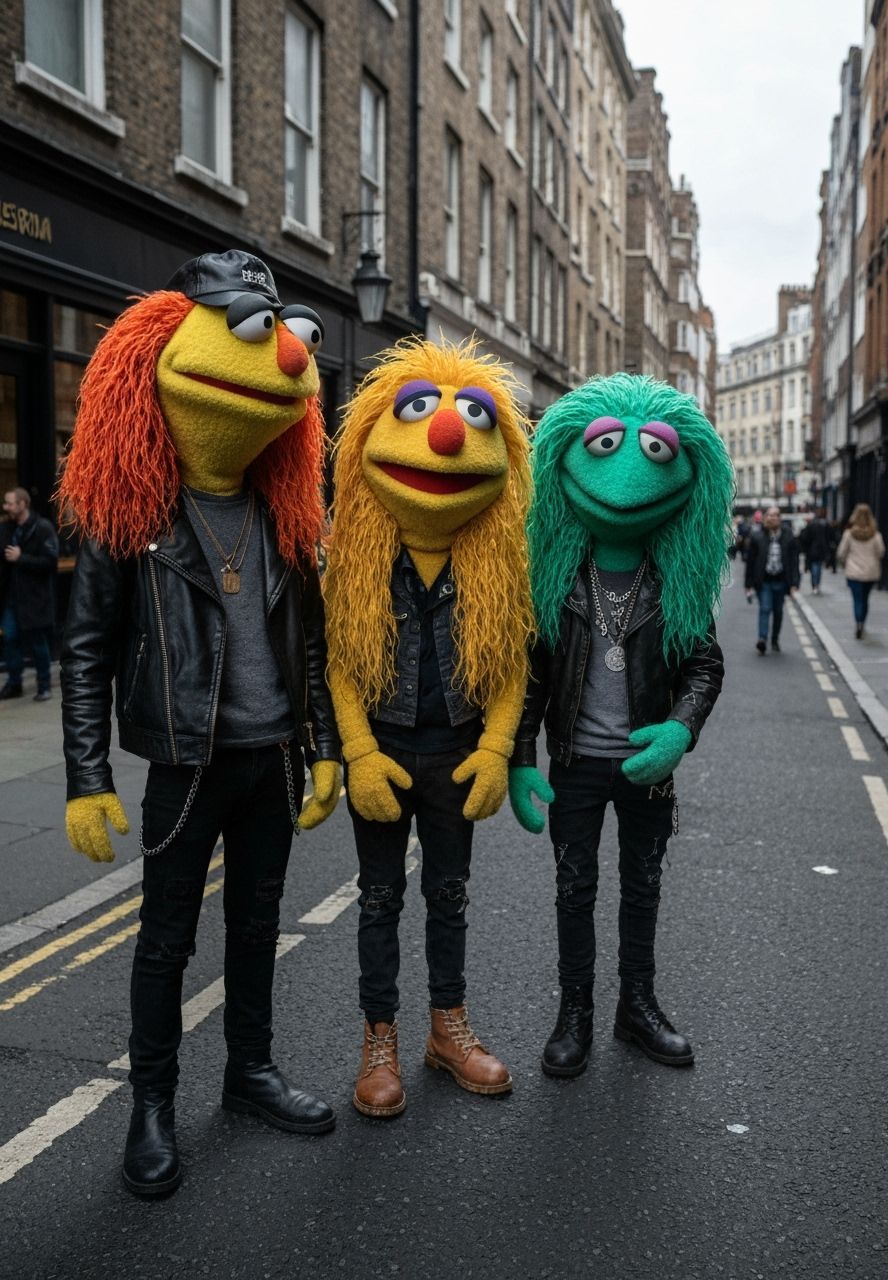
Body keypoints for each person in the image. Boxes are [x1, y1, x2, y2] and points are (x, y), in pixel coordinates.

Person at [58, 251, 342, 1197]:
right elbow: (87, 648)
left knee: (259, 926)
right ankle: (151, 1107)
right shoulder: (127, 512)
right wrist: (87, 778)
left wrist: (328, 747)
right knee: (166, 941)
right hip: (184, 758)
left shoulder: (282, 507)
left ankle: (251, 1073)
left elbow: (312, 645)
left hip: (272, 758)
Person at [324, 338, 533, 1117]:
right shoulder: (356, 558)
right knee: (379, 900)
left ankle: (448, 1029)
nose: (446, 440)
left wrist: (495, 749)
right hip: (383, 745)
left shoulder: (497, 562)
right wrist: (357, 754)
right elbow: (340, 663)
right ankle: (379, 1040)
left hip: (455, 749)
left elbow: (512, 666)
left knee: (449, 895)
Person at [509, 375, 731, 1075]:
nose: (628, 476)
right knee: (574, 888)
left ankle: (637, 1007)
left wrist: (679, 732)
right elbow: (532, 675)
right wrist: (519, 757)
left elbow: (703, 665)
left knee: (643, 885)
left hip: (646, 767)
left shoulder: (674, 580)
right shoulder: (557, 579)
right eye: (605, 449)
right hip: (576, 762)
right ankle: (573, 1014)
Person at [0, 487, 59, 701]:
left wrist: (21, 557)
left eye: (10, 503)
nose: (6, 507)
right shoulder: (7, 528)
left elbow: (50, 561)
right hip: (11, 598)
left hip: (35, 598)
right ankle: (14, 683)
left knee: (37, 642)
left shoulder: (42, 527)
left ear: (22, 504)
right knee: (10, 639)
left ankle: (44, 684)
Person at [744, 506, 800, 653]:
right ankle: (762, 639)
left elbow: (794, 561)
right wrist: (748, 584)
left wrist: (794, 583)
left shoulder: (788, 535)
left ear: (780, 518)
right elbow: (750, 562)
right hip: (764, 581)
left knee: (778, 612)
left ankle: (775, 639)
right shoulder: (757, 536)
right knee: (765, 608)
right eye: (769, 515)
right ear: (765, 518)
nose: (772, 518)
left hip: (781, 581)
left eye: (775, 515)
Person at [836, 503, 886, 639]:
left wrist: (845, 562)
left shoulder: (849, 534)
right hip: (870, 572)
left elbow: (841, 553)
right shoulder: (875, 535)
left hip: (854, 572)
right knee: (865, 599)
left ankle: (858, 623)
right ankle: (862, 623)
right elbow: (881, 552)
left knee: (857, 599)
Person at [799, 507, 835, 595]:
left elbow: (805, 538)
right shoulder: (825, 524)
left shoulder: (811, 525)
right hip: (821, 549)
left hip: (812, 549)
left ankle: (814, 585)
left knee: (814, 567)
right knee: (817, 567)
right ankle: (816, 584)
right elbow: (830, 537)